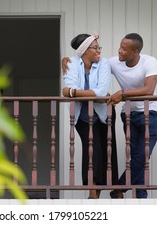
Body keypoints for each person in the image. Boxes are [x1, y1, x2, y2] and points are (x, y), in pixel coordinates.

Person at [62, 33, 157, 199]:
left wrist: (122, 93)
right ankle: (131, 195)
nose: (119, 51)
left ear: (135, 52)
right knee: (134, 156)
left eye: (124, 48)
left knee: (141, 154)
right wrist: (66, 59)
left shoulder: (148, 61)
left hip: (142, 113)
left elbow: (147, 90)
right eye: (120, 47)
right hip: (122, 114)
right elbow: (83, 66)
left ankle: (120, 188)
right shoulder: (108, 62)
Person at [62, 33, 118, 199]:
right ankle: (92, 194)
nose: (99, 50)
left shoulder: (104, 63)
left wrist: (72, 92)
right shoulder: (71, 64)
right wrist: (76, 91)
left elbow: (100, 93)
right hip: (82, 116)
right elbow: (70, 84)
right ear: (85, 51)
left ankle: (101, 192)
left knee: (106, 151)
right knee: (91, 150)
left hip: (103, 113)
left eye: (98, 47)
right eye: (95, 47)